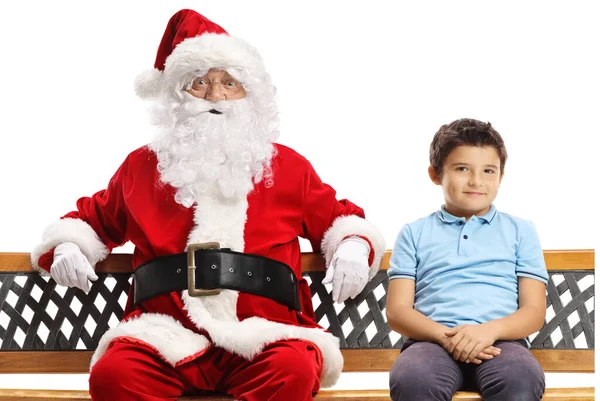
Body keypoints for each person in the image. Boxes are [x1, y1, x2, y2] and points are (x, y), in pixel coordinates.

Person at [30, 9, 385, 401]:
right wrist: (68, 244)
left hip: (264, 332)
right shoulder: (141, 167)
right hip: (165, 335)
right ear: (176, 96)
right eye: (199, 83)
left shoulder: (287, 166)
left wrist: (352, 244)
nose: (216, 96)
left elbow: (339, 218)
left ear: (250, 95)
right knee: (115, 375)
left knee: (293, 369)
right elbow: (89, 221)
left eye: (229, 83)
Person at [386, 118, 548, 401]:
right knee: (413, 379)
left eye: (488, 171)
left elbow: (533, 311)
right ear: (435, 174)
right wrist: (446, 337)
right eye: (462, 169)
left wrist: (488, 331)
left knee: (521, 380)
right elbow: (398, 311)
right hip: (431, 342)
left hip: (501, 343)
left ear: (501, 176)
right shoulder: (415, 233)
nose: (476, 181)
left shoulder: (521, 231)